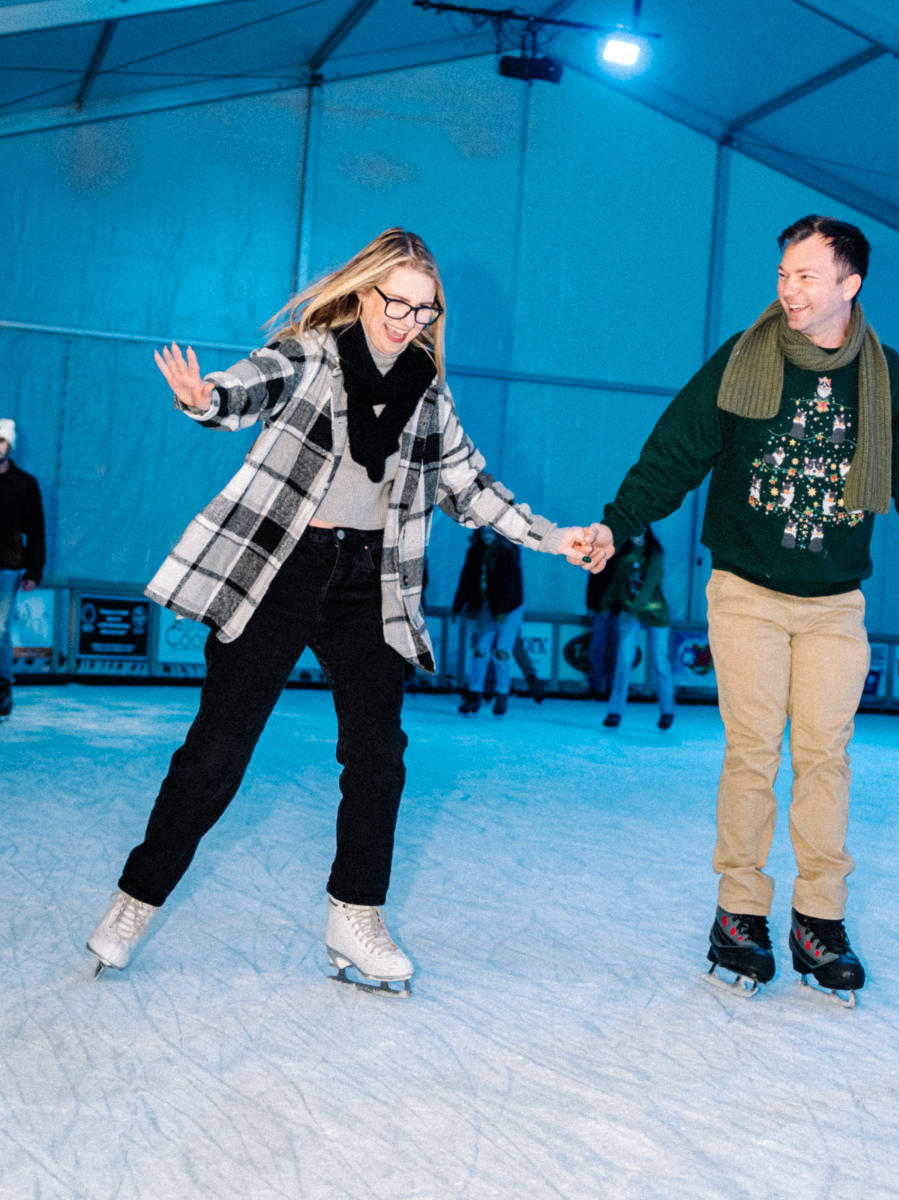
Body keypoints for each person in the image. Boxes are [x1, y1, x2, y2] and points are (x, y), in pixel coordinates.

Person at [86, 228, 593, 992]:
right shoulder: (310, 353)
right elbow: (246, 388)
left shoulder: (426, 389)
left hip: (370, 581)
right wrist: (206, 399)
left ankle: (355, 913)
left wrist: (554, 537)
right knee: (217, 752)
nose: (408, 318)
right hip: (283, 567)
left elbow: (470, 484)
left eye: (425, 309)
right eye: (397, 301)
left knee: (379, 756)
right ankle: (136, 898)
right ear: (364, 294)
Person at [580, 215, 899, 1003]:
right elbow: (675, 452)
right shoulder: (744, 361)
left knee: (825, 757)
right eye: (784, 274)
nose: (789, 289)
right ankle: (739, 913)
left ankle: (820, 921)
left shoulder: (888, 380)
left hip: (834, 603)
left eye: (807, 276)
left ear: (850, 285)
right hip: (745, 591)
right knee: (754, 754)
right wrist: (617, 524)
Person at [601, 527, 675, 730]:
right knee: (624, 661)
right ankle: (615, 711)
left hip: (655, 613)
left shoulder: (655, 552)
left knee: (660, 662)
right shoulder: (623, 553)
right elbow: (616, 583)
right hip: (630, 612)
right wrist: (605, 603)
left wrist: (633, 610)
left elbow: (650, 584)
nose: (635, 532)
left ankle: (667, 710)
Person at [453, 526, 525, 715]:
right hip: (488, 607)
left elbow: (509, 584)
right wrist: (458, 605)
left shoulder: (507, 551)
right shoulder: (475, 551)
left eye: (490, 533)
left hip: (509, 609)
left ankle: (502, 695)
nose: (486, 537)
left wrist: (502, 610)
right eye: (483, 532)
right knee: (481, 651)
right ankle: (475, 694)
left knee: (502, 651)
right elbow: (467, 579)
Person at [0, 418, 45, 720]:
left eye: (1, 441)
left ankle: (2, 689)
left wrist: (33, 571)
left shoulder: (25, 483)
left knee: (0, 630)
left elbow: (37, 530)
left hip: (7, 566)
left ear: (10, 445)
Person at [584, 556, 617, 700]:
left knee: (615, 651)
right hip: (601, 609)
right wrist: (591, 606)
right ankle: (597, 686)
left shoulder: (625, 553)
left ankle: (611, 687)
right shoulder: (600, 554)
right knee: (597, 649)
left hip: (618, 610)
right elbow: (593, 581)